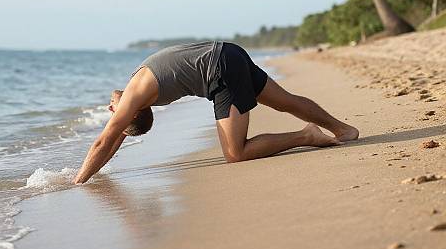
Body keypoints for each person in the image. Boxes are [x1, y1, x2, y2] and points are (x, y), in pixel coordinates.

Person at [73, 41, 359, 184]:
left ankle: (307, 134)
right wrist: (87, 175)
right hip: (228, 54)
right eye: (115, 112)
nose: (112, 110)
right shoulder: (135, 92)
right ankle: (342, 129)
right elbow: (110, 140)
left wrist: (78, 180)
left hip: (221, 67)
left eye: (114, 111)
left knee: (236, 153)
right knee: (285, 101)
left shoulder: (135, 95)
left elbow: (107, 139)